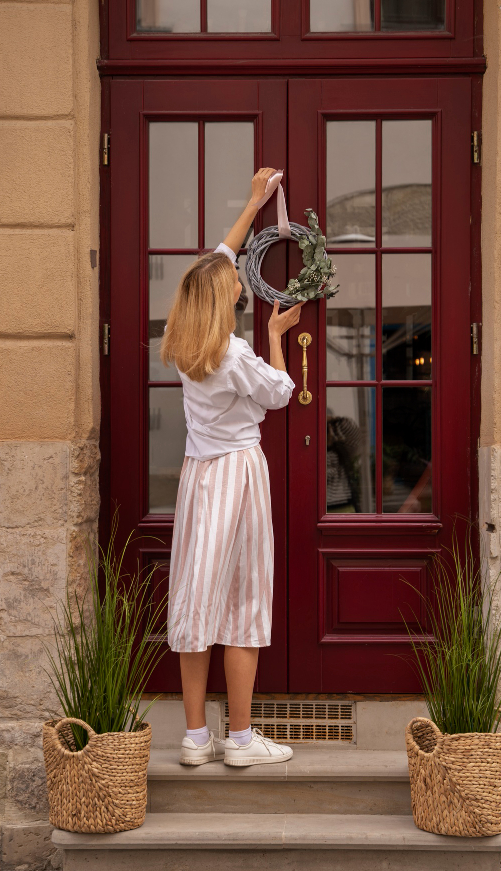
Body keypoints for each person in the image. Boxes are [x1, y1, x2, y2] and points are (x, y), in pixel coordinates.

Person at [161, 167, 303, 768]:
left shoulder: (184, 340)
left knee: (196, 600)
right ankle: (241, 740)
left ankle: (196, 738)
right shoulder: (236, 353)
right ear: (227, 298)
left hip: (199, 475)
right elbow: (280, 393)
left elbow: (219, 257)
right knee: (244, 600)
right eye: (236, 281)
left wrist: (253, 203)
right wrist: (276, 336)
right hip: (239, 476)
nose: (241, 277)